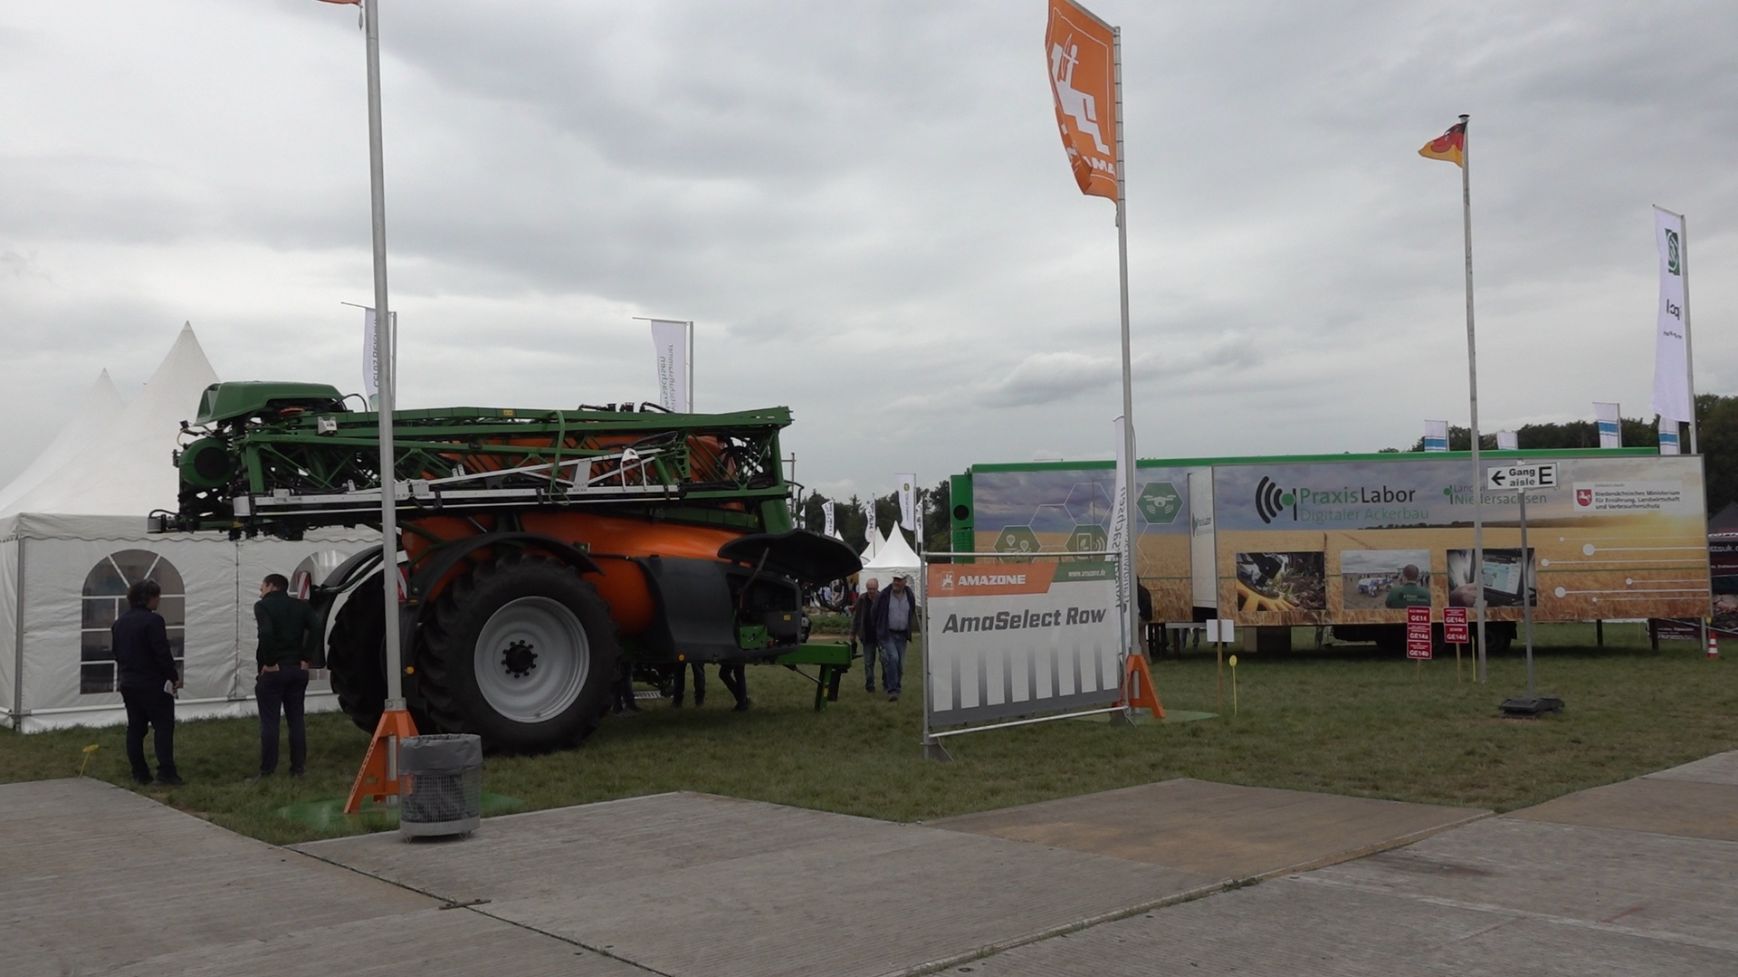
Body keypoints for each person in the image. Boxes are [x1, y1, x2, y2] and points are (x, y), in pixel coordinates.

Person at [113, 579, 182, 786]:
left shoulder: (119, 622)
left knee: (135, 728)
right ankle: (166, 773)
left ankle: (139, 772)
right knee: (163, 727)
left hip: (129, 682)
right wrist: (173, 676)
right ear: (149, 598)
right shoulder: (153, 621)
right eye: (157, 597)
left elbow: (117, 653)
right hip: (153, 683)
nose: (158, 601)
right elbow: (162, 652)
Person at [254, 573, 318, 778]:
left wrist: (270, 662)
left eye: (262, 587)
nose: (260, 591)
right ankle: (298, 768)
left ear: (272, 586)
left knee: (270, 722)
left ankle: (267, 770)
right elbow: (316, 628)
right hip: (297, 669)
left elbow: (266, 633)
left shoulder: (263, 606)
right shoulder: (301, 606)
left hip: (275, 670)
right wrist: (306, 657)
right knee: (296, 720)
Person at [871, 574, 917, 702]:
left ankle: (893, 684)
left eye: (899, 580)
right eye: (894, 580)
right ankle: (893, 691)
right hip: (888, 634)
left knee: (900, 664)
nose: (896, 583)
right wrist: (879, 629)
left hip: (902, 635)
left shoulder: (909, 595)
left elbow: (912, 611)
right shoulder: (884, 595)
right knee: (893, 658)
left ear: (905, 582)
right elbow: (874, 612)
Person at [853, 577, 881, 692]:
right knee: (868, 662)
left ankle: (886, 682)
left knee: (885, 660)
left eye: (873, 589)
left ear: (877, 588)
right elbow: (857, 617)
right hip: (867, 635)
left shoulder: (882, 598)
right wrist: (853, 633)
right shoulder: (862, 599)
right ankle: (870, 685)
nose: (871, 591)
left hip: (881, 636)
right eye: (869, 589)